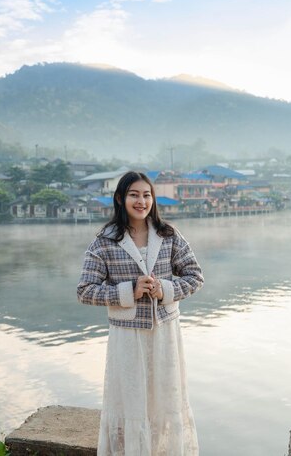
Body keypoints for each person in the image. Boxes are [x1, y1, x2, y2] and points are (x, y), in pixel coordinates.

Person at [77, 171, 204, 456]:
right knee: (130, 403)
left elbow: (195, 277)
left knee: (165, 401)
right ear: (120, 199)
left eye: (147, 195)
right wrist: (128, 291)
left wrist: (165, 289)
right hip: (127, 336)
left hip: (165, 336)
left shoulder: (168, 235)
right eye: (134, 194)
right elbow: (85, 290)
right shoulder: (105, 241)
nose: (141, 200)